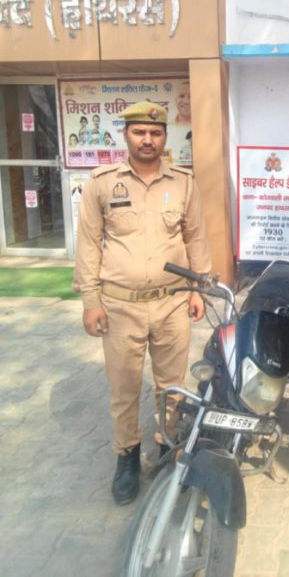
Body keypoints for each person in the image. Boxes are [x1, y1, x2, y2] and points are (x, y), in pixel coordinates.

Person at [73, 101, 211, 505]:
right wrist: (90, 300)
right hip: (120, 307)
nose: (147, 139)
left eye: (155, 133)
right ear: (126, 135)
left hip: (171, 303)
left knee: (172, 386)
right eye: (139, 132)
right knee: (124, 388)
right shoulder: (102, 183)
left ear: (165, 137)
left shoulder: (183, 183)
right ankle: (127, 456)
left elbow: (195, 237)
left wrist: (198, 290)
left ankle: (167, 447)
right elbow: (88, 243)